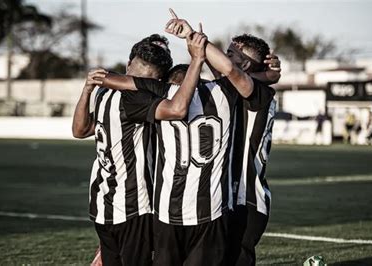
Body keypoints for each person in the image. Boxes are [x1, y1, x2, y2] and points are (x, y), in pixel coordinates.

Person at [101, 10, 276, 265]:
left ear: (246, 65)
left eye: (230, 54)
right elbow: (236, 74)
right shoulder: (238, 93)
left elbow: (141, 84)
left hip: (238, 199)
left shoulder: (231, 92)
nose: (223, 58)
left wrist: (196, 43)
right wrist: (198, 49)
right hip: (223, 202)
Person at [73, 32, 206, 266]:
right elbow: (177, 109)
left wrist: (86, 90)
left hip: (103, 203)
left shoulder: (105, 92)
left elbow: (80, 130)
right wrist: (197, 59)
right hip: (133, 206)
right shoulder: (135, 98)